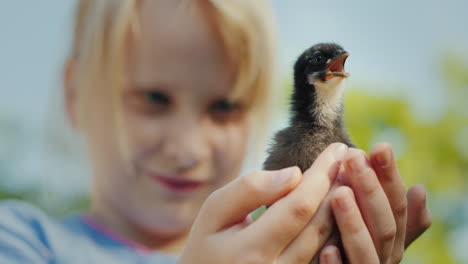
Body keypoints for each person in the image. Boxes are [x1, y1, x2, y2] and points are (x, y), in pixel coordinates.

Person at [0, 0, 432, 263]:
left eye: (224, 107)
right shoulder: (22, 243)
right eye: (153, 99)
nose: (188, 148)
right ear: (75, 95)